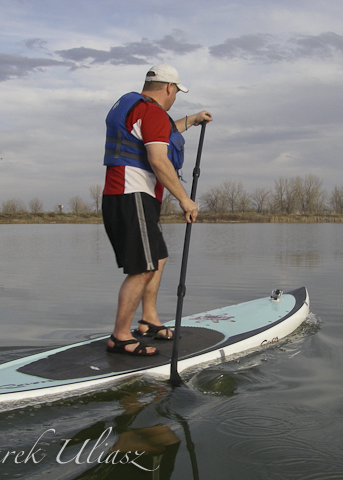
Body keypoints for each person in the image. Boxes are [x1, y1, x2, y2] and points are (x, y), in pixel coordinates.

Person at [102, 63, 213, 356]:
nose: (175, 97)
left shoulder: (141, 110)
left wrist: (192, 120)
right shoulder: (150, 112)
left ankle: (148, 320)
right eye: (176, 92)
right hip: (131, 195)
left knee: (158, 259)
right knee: (142, 268)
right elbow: (159, 159)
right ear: (169, 88)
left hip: (132, 196)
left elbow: (162, 132)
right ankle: (120, 337)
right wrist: (184, 199)